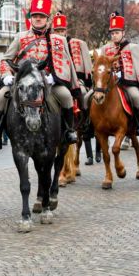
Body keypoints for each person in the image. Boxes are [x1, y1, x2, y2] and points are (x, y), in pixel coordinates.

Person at [0, 0, 80, 149]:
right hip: (24, 81)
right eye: (35, 16)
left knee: (66, 96)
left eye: (41, 16)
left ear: (47, 19)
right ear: (30, 18)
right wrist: (6, 76)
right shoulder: (20, 37)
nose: (38, 19)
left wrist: (55, 77)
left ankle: (69, 131)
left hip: (49, 82)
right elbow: (6, 59)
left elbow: (66, 62)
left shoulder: (58, 40)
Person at [52, 12, 94, 163]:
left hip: (77, 81)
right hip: (57, 82)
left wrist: (87, 81)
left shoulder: (78, 44)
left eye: (62, 30)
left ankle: (86, 122)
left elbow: (87, 65)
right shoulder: (50, 44)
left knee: (84, 93)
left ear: (66, 30)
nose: (59, 34)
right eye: (57, 31)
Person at [99, 13, 139, 136]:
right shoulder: (105, 49)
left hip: (128, 81)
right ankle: (90, 124)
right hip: (109, 82)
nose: (114, 35)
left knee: (135, 96)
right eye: (112, 33)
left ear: (123, 33)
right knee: (91, 96)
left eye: (117, 33)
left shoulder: (133, 48)